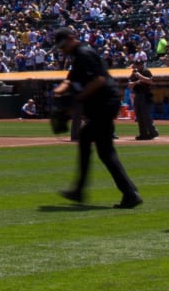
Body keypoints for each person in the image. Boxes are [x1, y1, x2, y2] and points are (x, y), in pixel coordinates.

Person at [52, 27, 142, 209]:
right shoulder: (77, 57)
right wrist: (58, 91)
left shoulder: (85, 53)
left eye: (63, 45)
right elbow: (70, 80)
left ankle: (81, 190)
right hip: (101, 105)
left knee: (90, 141)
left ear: (72, 38)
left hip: (105, 104)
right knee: (104, 151)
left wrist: (77, 99)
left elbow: (99, 80)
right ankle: (129, 192)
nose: (63, 50)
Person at [128, 58, 158, 140]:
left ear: (142, 64)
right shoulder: (134, 73)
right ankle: (143, 134)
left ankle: (153, 132)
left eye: (140, 64)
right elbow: (129, 85)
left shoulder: (146, 71)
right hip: (137, 95)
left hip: (145, 95)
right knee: (139, 116)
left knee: (145, 115)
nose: (138, 65)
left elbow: (151, 81)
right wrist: (136, 82)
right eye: (137, 64)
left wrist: (140, 76)